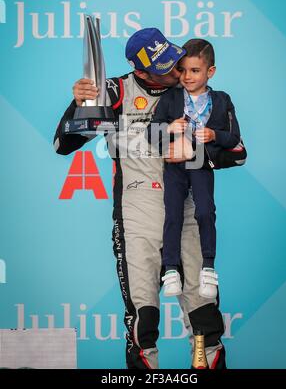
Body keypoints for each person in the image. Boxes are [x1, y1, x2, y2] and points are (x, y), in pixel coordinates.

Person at [53, 28, 226, 369]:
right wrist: (82, 102)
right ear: (141, 71)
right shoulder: (116, 91)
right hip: (137, 213)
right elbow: (63, 145)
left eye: (174, 59)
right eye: (165, 67)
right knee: (142, 323)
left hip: (186, 212)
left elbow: (232, 149)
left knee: (206, 322)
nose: (177, 70)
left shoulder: (191, 89)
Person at [147, 38, 241, 300]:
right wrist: (168, 128)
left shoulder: (222, 100)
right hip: (174, 165)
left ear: (210, 72)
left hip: (200, 163)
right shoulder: (170, 98)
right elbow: (150, 134)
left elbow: (233, 138)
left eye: (195, 71)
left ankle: (208, 267)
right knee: (173, 214)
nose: (187, 77)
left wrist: (214, 135)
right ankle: (171, 269)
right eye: (183, 70)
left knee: (205, 211)